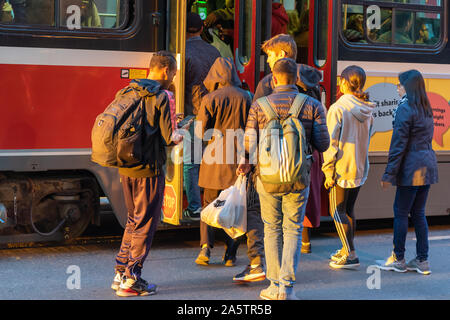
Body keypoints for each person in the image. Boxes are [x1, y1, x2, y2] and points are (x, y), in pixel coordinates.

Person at [238, 58, 329, 300]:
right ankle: (287, 288)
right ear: (296, 78)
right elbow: (323, 143)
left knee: (271, 229)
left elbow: (248, 144)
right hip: (299, 177)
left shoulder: (259, 105)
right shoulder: (311, 104)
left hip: (266, 178)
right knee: (293, 230)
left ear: (274, 78)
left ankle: (273, 285)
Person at [111, 51, 178, 297]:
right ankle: (132, 278)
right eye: (173, 71)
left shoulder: (129, 90)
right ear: (165, 70)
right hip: (148, 170)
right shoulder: (163, 96)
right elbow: (170, 138)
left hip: (126, 166)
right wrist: (181, 129)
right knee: (145, 224)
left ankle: (120, 273)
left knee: (132, 220)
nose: (174, 76)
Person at [253, 34, 325, 254]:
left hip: (273, 158)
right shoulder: (312, 81)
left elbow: (257, 124)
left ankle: (277, 275)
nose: (267, 61)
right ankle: (302, 243)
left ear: (282, 55)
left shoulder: (268, 83)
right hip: (303, 155)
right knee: (299, 203)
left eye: (270, 55)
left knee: (273, 219)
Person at [377, 70, 438, 275]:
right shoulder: (425, 106)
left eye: (399, 84)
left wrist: (388, 174)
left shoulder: (405, 108)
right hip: (426, 166)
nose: (397, 87)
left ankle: (399, 259)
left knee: (401, 213)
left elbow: (398, 145)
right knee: (419, 213)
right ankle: (423, 260)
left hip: (411, 168)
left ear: (407, 87)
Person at [194, 57, 252, 267]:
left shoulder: (210, 98)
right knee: (236, 208)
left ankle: (205, 249)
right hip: (239, 160)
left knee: (209, 206)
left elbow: (200, 132)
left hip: (214, 161)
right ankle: (230, 254)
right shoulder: (247, 96)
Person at [322, 66, 375, 269]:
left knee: (337, 211)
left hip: (341, 169)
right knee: (349, 210)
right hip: (360, 166)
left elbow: (330, 143)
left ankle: (350, 254)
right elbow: (368, 137)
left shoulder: (338, 108)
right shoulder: (367, 108)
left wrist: (328, 171)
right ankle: (347, 249)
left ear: (344, 82)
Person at [183, 12, 221, 220]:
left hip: (193, 113)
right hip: (214, 114)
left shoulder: (182, 52)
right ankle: (211, 203)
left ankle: (195, 206)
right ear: (199, 29)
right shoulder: (214, 52)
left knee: (190, 162)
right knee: (210, 160)